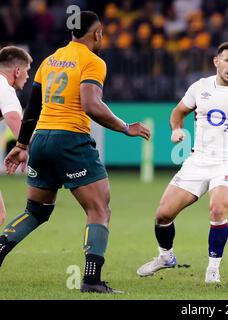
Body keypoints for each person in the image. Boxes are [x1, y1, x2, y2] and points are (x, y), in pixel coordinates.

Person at [2, 11, 150, 294]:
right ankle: (92, 280)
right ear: (96, 34)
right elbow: (91, 104)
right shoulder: (93, 61)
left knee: (36, 211)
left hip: (42, 139)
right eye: (102, 34)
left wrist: (22, 145)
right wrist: (124, 127)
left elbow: (32, 108)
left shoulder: (50, 60)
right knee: (99, 208)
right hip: (70, 140)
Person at [137, 42, 228, 283]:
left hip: (227, 162)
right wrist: (176, 129)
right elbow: (178, 112)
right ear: (216, 62)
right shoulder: (199, 88)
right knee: (162, 215)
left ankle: (213, 269)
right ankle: (165, 257)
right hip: (197, 160)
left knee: (218, 208)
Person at [0, 46, 33, 226]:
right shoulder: (4, 89)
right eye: (27, 71)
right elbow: (14, 120)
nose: (28, 77)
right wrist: (27, 146)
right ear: (17, 71)